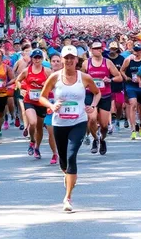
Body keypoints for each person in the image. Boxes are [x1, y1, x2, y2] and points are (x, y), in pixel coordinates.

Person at [39, 45, 101, 212]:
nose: (69, 61)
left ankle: (67, 198)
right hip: (59, 123)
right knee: (64, 161)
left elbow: (97, 92)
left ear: (76, 60)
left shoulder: (84, 78)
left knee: (72, 156)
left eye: (72, 57)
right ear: (63, 59)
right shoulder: (54, 77)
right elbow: (42, 97)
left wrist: (93, 106)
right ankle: (68, 175)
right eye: (66, 58)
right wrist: (51, 106)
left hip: (79, 122)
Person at [81, 40, 122, 155]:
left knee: (104, 126)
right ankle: (95, 138)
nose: (99, 50)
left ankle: (102, 139)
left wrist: (110, 80)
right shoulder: (86, 63)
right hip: (90, 95)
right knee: (92, 119)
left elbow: (119, 77)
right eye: (96, 48)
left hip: (105, 95)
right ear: (91, 50)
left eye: (100, 48)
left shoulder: (107, 62)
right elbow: (80, 78)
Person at [16, 49, 57, 162]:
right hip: (29, 100)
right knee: (32, 122)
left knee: (39, 128)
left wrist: (48, 87)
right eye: (35, 57)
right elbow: (18, 81)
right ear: (32, 59)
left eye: (39, 57)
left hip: (42, 102)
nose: (37, 59)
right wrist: (21, 89)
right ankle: (32, 141)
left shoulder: (47, 71)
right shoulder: (27, 71)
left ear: (42, 59)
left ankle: (37, 148)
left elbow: (55, 84)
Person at [120, 43, 141, 139]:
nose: (137, 52)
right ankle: (133, 129)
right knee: (133, 104)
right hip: (131, 85)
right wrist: (126, 77)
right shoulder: (128, 59)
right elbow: (121, 70)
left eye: (138, 50)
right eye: (135, 50)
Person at [107, 42, 127, 131]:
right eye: (111, 48)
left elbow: (124, 71)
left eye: (114, 49)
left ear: (117, 49)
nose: (112, 50)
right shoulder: (106, 59)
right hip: (108, 85)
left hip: (119, 85)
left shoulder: (121, 59)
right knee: (110, 106)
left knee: (119, 106)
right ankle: (110, 123)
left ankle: (118, 120)